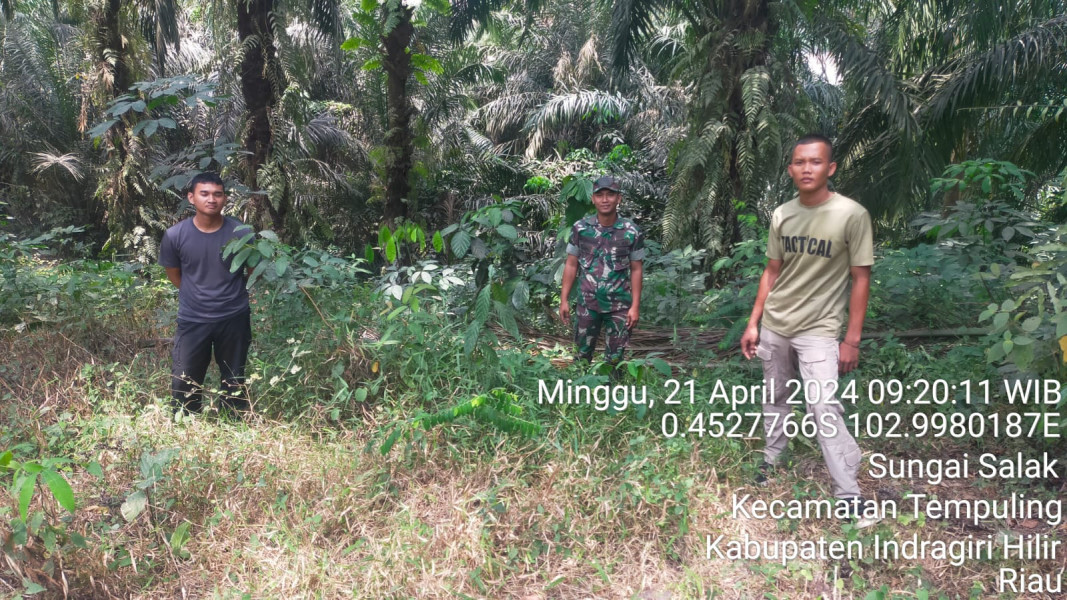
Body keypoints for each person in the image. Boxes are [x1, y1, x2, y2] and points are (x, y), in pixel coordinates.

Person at [740, 134, 878, 525]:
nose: (807, 168)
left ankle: (848, 495)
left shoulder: (852, 215)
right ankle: (772, 460)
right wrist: (753, 323)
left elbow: (861, 278)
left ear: (830, 168)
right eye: (799, 162)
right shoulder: (783, 214)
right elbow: (772, 271)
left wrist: (851, 340)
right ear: (790, 169)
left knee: (824, 407)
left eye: (815, 162)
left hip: (819, 329)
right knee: (775, 396)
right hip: (776, 325)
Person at [159, 172, 252, 414]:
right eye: (205, 194)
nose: (212, 199)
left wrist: (232, 293)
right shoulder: (175, 235)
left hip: (234, 317)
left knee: (234, 376)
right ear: (191, 198)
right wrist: (196, 294)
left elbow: (253, 271)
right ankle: (186, 419)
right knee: (185, 377)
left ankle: (233, 420)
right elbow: (174, 274)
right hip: (193, 318)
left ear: (225, 198)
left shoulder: (241, 233)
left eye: (217, 194)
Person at [560, 175, 645, 364]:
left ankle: (612, 384)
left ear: (618, 198)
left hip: (619, 307)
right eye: (600, 195)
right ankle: (580, 384)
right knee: (581, 358)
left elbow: (636, 269)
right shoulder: (581, 229)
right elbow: (571, 264)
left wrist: (635, 306)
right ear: (593, 199)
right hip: (587, 304)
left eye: (610, 195)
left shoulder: (631, 231)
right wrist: (564, 300)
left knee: (615, 360)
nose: (605, 200)